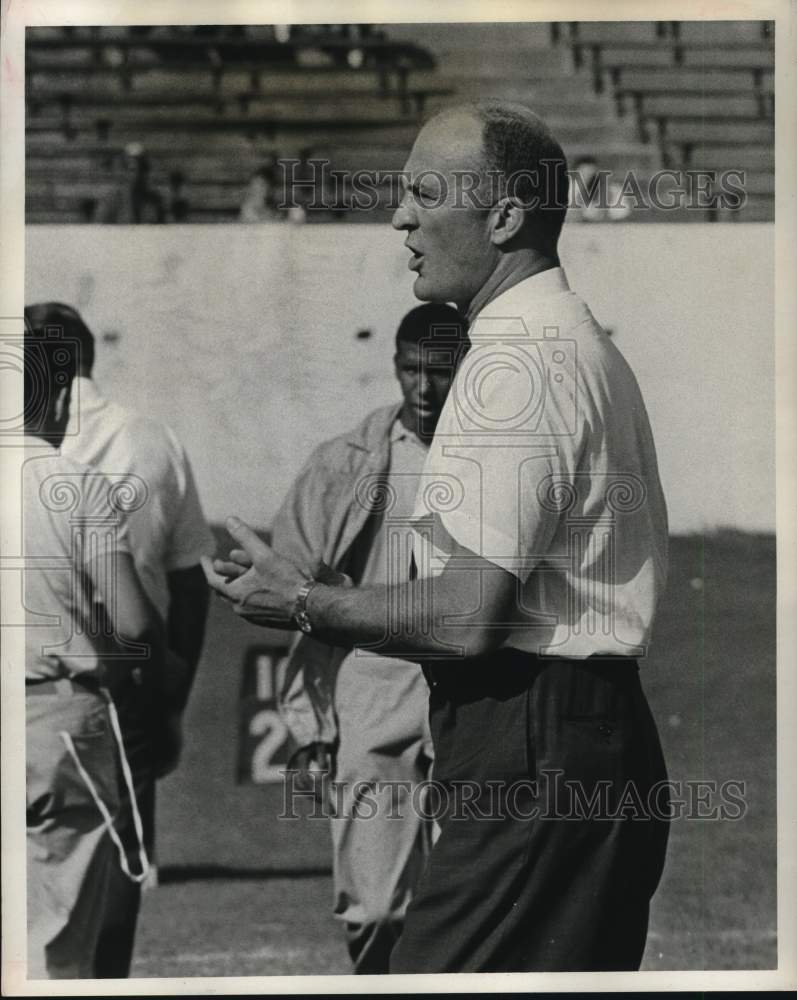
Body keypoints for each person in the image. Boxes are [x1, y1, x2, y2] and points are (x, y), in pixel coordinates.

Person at [205, 100, 670, 972]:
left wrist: (300, 601)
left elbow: (463, 619)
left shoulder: (513, 360)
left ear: (501, 217)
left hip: (530, 741)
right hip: (584, 736)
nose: (399, 217)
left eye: (423, 193)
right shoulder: (575, 342)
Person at [272, 303, 469, 973]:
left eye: (439, 372)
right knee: (376, 908)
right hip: (373, 686)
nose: (424, 388)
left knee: (469, 902)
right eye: (412, 370)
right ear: (394, 367)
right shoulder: (342, 463)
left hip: (472, 689)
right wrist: (308, 722)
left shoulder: (498, 460)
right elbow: (289, 592)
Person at [25, 302, 215, 978]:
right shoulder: (152, 440)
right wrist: (171, 694)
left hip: (47, 682)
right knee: (107, 892)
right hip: (114, 688)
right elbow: (187, 587)